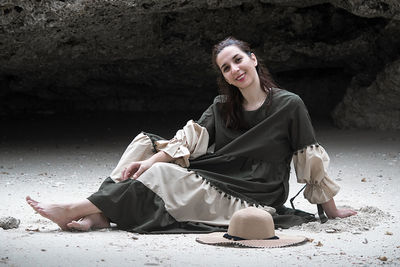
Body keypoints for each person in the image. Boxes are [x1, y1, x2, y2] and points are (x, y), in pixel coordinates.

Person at [26, 37, 356, 232]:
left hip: (254, 188)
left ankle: (74, 210)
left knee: (160, 171)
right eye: (226, 68)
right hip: (218, 171)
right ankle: (98, 213)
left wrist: (332, 210)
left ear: (253, 60)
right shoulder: (221, 106)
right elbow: (185, 141)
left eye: (238, 60)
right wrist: (151, 160)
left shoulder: (288, 105)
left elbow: (309, 157)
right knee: (147, 146)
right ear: (224, 77)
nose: (234, 70)